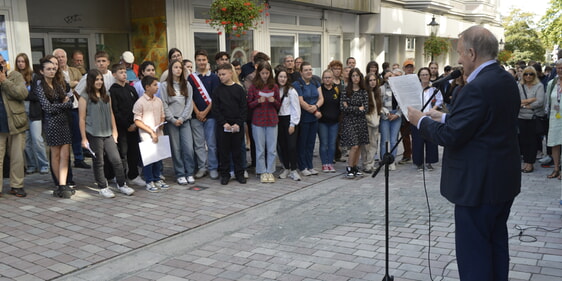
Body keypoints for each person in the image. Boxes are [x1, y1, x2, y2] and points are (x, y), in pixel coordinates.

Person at [407, 26, 521, 281]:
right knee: (496, 245)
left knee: (474, 255)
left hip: (477, 186)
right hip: (502, 182)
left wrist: (421, 121)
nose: (458, 60)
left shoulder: (476, 87)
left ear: (471, 53)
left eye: (459, 53)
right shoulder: (504, 79)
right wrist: (445, 116)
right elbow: (485, 122)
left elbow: (452, 137)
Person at [79, 69, 134, 198]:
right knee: (99, 161)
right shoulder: (84, 96)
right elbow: (81, 118)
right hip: (94, 133)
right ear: (90, 81)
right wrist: (83, 138)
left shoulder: (106, 95)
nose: (99, 82)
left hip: (108, 133)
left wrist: (114, 131)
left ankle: (122, 184)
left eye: (101, 79)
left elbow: (111, 114)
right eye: (96, 79)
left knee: (116, 159)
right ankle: (103, 186)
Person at [35, 57, 73, 198]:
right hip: (51, 123)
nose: (51, 71)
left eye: (53, 69)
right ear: (42, 71)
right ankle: (59, 185)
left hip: (63, 122)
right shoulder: (39, 87)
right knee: (56, 155)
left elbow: (70, 103)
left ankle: (63, 185)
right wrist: (63, 105)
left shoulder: (58, 84)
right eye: (48, 69)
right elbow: (47, 108)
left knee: (65, 155)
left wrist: (62, 105)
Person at [160, 59, 196, 185]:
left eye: (180, 68)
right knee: (176, 149)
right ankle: (180, 173)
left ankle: (189, 172)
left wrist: (182, 118)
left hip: (184, 120)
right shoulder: (164, 86)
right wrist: (172, 119)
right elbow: (163, 103)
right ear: (171, 69)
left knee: (188, 148)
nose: (178, 70)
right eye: (175, 67)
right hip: (172, 122)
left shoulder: (187, 85)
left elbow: (189, 103)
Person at [54, 48, 90, 170]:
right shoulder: (54, 73)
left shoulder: (75, 70)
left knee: (77, 133)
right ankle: (66, 160)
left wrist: (74, 84)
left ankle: (79, 158)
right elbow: (61, 89)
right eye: (58, 57)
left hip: (76, 105)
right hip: (63, 108)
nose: (60, 59)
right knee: (65, 136)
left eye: (62, 57)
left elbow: (83, 85)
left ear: (66, 58)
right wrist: (72, 84)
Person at [109, 64, 144, 187]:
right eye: (120, 72)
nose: (123, 74)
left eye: (125, 72)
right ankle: (121, 176)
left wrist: (135, 122)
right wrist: (126, 125)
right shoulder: (113, 91)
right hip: (121, 128)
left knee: (133, 151)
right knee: (122, 153)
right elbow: (115, 110)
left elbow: (137, 106)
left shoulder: (131, 89)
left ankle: (133, 175)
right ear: (114, 75)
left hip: (134, 126)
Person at [212, 63, 247, 185]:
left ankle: (240, 174)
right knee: (224, 151)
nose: (221, 77)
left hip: (237, 126)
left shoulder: (239, 89)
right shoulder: (217, 90)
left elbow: (243, 108)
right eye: (219, 74)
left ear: (231, 73)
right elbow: (216, 109)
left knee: (237, 151)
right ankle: (225, 174)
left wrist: (238, 123)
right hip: (224, 126)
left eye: (223, 74)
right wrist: (223, 123)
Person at [188, 50, 220, 180]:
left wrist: (205, 112)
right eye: (199, 60)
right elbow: (189, 97)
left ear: (207, 61)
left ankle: (213, 167)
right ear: (196, 61)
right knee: (199, 144)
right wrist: (197, 112)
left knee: (212, 144)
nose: (201, 62)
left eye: (204, 60)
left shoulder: (213, 77)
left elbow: (214, 97)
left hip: (210, 116)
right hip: (196, 116)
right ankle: (202, 167)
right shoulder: (191, 78)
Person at [133, 76, 169, 192]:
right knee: (149, 159)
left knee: (158, 158)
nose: (157, 87)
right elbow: (137, 120)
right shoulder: (140, 102)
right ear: (147, 87)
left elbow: (162, 114)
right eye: (154, 85)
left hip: (158, 133)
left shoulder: (158, 101)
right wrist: (150, 131)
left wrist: (161, 123)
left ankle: (157, 178)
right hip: (147, 135)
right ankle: (149, 181)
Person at [0, 54, 29, 197]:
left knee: (17, 157)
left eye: (3, 62)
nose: (2, 65)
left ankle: (16, 185)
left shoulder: (15, 76)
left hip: (16, 123)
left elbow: (22, 93)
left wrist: (4, 81)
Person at [247, 61, 281, 183]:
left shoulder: (274, 86)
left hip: (272, 120)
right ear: (259, 73)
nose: (265, 75)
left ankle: (270, 171)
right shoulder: (253, 87)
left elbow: (279, 105)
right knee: (260, 148)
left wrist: (273, 101)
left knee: (272, 149)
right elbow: (249, 105)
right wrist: (258, 101)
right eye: (263, 73)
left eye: (267, 73)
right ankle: (261, 171)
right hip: (258, 121)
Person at [16, 53, 49, 175]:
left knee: (37, 139)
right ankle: (31, 165)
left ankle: (44, 164)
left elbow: (37, 95)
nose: (21, 63)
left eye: (23, 61)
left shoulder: (35, 76)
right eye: (19, 61)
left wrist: (22, 95)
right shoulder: (14, 77)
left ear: (26, 62)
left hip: (34, 112)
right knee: (26, 142)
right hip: (20, 113)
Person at [293, 62, 323, 176]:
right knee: (302, 143)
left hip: (314, 118)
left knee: (311, 143)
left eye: (310, 69)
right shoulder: (297, 84)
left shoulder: (315, 82)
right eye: (306, 70)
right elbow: (301, 101)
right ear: (301, 72)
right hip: (304, 118)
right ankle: (302, 166)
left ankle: (310, 166)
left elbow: (321, 98)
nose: (309, 72)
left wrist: (316, 107)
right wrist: (315, 111)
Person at [412, 67, 442, 171]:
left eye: (426, 74)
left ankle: (430, 162)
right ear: (419, 76)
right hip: (417, 117)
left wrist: (433, 110)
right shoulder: (415, 89)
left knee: (431, 140)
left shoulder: (434, 88)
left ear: (429, 76)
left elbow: (439, 100)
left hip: (430, 117)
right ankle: (418, 162)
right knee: (417, 141)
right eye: (422, 75)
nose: (424, 77)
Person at [340, 68, 368, 178]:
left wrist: (351, 107)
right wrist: (357, 109)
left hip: (361, 121)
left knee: (360, 145)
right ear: (350, 78)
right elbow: (343, 108)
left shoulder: (363, 92)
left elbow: (365, 109)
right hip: (349, 121)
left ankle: (355, 166)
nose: (355, 78)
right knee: (354, 145)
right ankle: (349, 166)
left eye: (357, 75)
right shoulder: (345, 91)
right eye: (353, 76)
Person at [518, 66, 545, 173]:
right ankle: (526, 162)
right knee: (523, 141)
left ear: (535, 75)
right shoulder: (519, 86)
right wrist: (531, 100)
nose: (528, 76)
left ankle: (530, 163)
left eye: (531, 74)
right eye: (526, 74)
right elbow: (516, 101)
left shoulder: (539, 86)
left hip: (533, 117)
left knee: (532, 141)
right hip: (521, 117)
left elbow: (540, 102)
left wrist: (524, 104)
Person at [276, 68, 301, 180]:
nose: (282, 79)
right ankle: (286, 167)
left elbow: (296, 108)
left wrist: (293, 124)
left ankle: (294, 169)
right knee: (283, 146)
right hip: (278, 120)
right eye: (280, 77)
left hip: (289, 120)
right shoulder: (275, 90)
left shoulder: (291, 91)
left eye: (285, 77)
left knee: (292, 146)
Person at [379, 69, 403, 171]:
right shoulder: (381, 89)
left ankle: (392, 160)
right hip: (385, 115)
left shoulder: (400, 89)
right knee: (385, 139)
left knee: (394, 140)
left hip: (396, 116)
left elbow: (403, 103)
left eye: (392, 76)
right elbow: (379, 104)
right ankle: (384, 160)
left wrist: (397, 114)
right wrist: (386, 113)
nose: (390, 78)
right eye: (387, 77)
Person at [318, 69, 340, 173]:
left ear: (332, 79)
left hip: (334, 122)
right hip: (322, 122)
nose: (327, 79)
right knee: (324, 143)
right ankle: (324, 163)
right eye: (325, 78)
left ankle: (330, 163)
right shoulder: (320, 89)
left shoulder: (336, 89)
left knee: (332, 144)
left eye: (329, 77)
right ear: (322, 79)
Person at [545, 59, 562, 180]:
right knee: (555, 143)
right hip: (555, 117)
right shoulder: (552, 83)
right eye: (558, 68)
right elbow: (547, 101)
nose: (560, 70)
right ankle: (556, 168)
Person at [361, 72, 381, 173]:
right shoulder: (364, 93)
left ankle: (371, 163)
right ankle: (366, 164)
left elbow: (378, 108)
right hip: (367, 122)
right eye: (370, 80)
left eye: (374, 80)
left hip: (376, 122)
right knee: (366, 146)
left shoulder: (377, 92)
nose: (372, 82)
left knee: (374, 144)